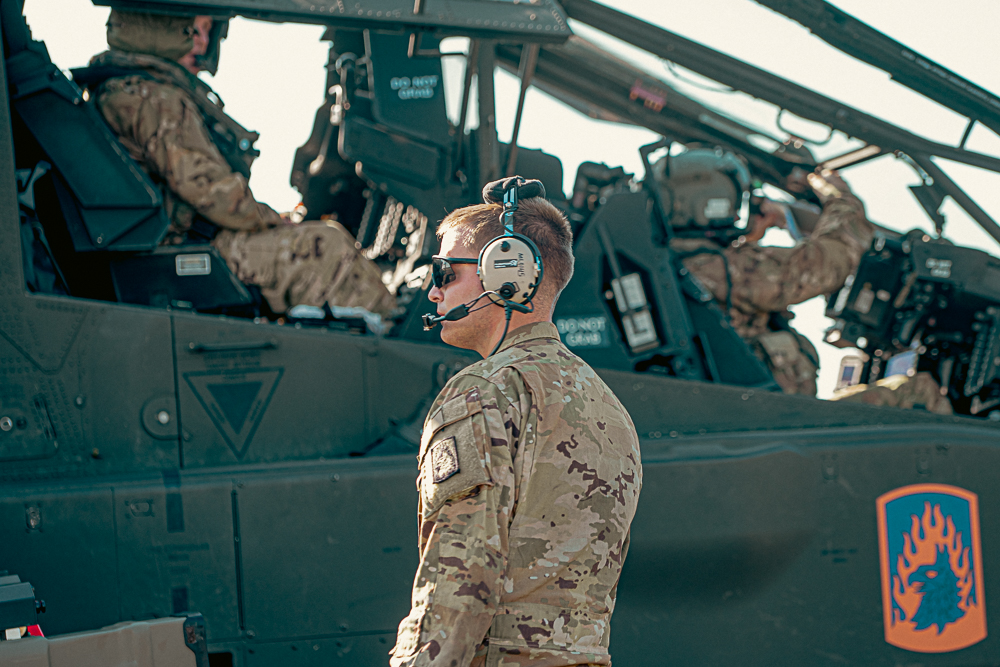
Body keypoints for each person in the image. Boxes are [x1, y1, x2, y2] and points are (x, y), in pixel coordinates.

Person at [390, 179, 642, 666]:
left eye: (445, 271)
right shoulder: (606, 403)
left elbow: (461, 575)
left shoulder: (485, 390)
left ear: (507, 273)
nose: (434, 289)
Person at [78, 10, 396, 317]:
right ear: (160, 27)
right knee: (326, 246)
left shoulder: (123, 87)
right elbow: (209, 189)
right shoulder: (153, 98)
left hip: (169, 243)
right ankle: (400, 353)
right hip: (182, 249)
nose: (203, 43)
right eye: (194, 29)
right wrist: (272, 220)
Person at [655, 147, 874, 395]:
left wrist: (750, 238)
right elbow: (838, 254)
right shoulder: (738, 269)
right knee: (922, 390)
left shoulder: (674, 262)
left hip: (752, 412)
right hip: (784, 418)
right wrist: (836, 193)